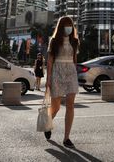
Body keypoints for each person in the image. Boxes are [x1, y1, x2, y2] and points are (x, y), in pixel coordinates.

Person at [43, 16, 79, 147]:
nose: (69, 27)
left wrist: (75, 74)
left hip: (71, 73)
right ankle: (48, 124)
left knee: (70, 105)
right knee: (56, 107)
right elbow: (50, 61)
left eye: (71, 25)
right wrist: (48, 79)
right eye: (66, 25)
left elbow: (75, 59)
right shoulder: (54, 41)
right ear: (61, 26)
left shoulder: (75, 41)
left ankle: (66, 138)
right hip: (57, 73)